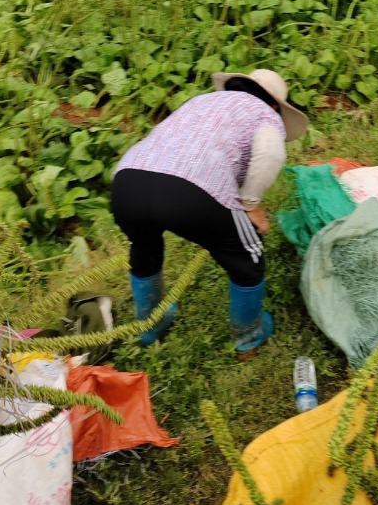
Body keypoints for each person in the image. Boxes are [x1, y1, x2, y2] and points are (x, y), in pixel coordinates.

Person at [111, 68, 307, 357]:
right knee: (248, 254)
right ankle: (249, 338)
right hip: (190, 190)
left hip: (128, 182)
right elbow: (270, 153)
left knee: (145, 246)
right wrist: (250, 205)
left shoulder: (200, 102)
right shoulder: (264, 113)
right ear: (276, 105)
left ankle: (152, 327)